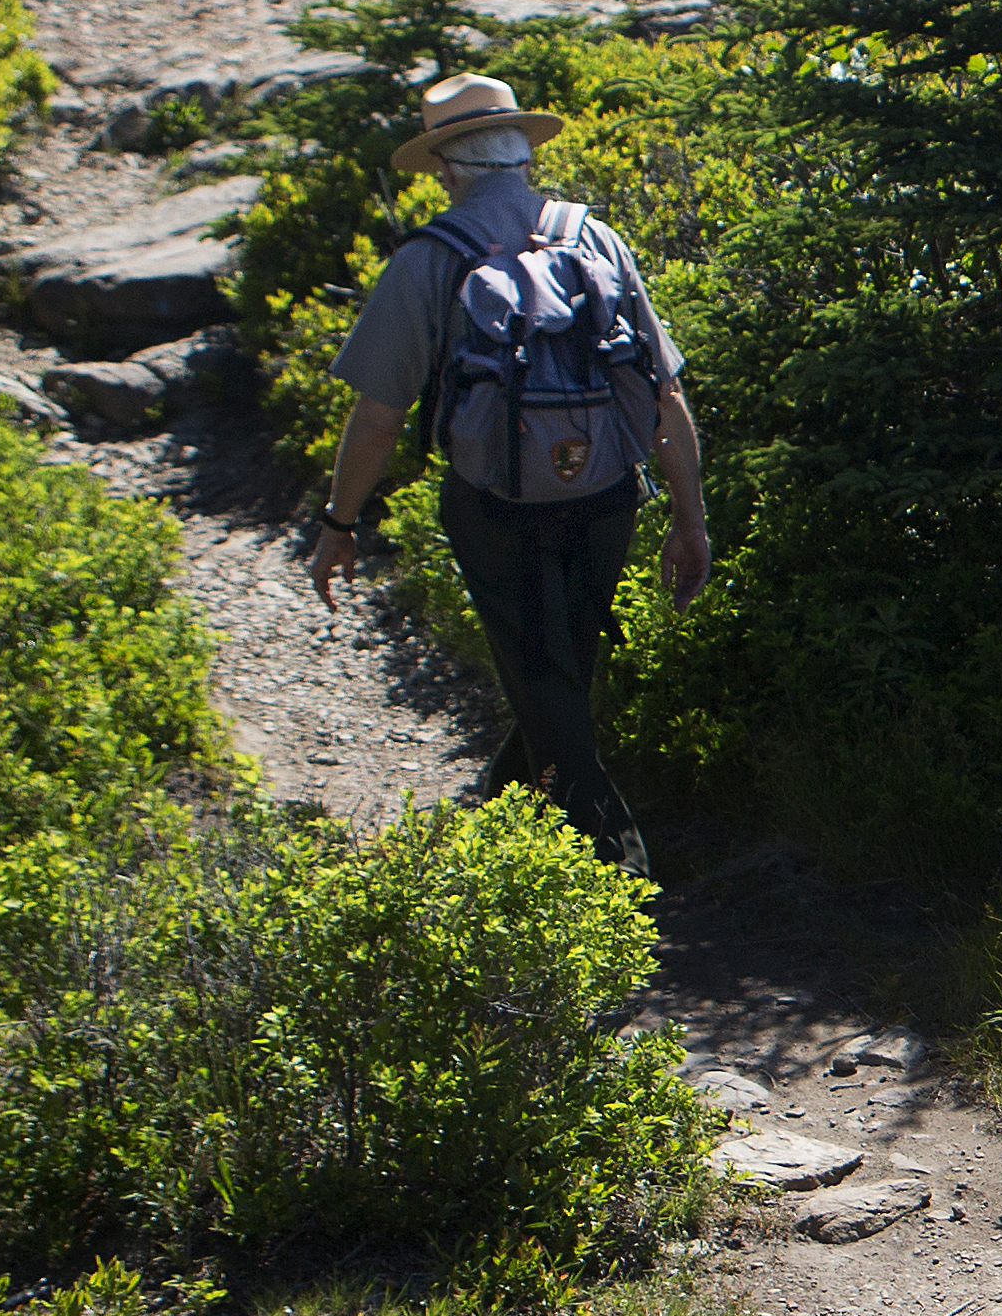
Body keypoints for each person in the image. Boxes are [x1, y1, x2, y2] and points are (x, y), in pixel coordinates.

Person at [303, 73, 712, 874]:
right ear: (523, 154)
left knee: (544, 683)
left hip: (495, 507)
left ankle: (614, 873)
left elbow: (382, 416)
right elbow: (662, 393)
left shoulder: (432, 257)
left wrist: (339, 522)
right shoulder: (596, 239)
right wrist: (689, 519)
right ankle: (499, 836)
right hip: (606, 494)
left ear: (449, 167)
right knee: (558, 678)